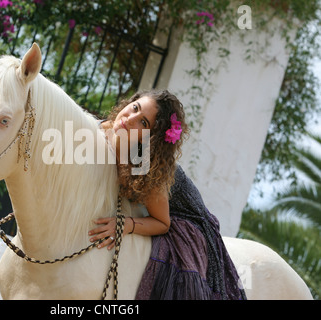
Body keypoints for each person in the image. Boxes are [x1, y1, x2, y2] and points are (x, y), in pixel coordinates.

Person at [88, 89, 246, 300]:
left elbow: (163, 222)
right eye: (135, 108)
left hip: (185, 219)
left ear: (149, 139)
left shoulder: (145, 165)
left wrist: (125, 224)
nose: (130, 118)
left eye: (143, 123)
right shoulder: (102, 128)